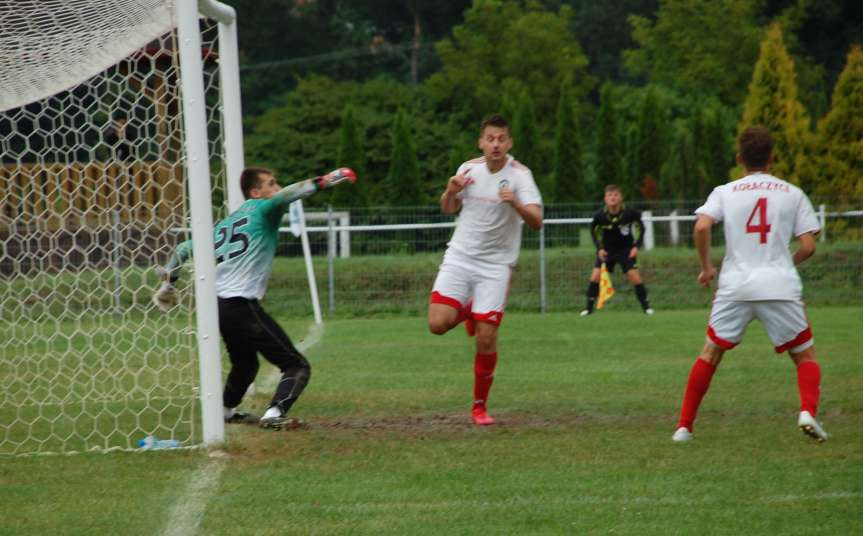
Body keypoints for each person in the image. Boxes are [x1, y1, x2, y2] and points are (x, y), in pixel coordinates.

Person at [152, 166, 357, 429]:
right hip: (240, 305)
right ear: (255, 192)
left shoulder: (227, 222)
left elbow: (183, 248)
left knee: (246, 364)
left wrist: (170, 282)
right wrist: (327, 180)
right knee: (296, 365)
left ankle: (225, 411)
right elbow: (287, 195)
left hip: (219, 306)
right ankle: (274, 415)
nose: (276, 188)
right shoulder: (264, 208)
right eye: (271, 183)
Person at [671, 126, 826, 443]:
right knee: (805, 356)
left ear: (740, 158)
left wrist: (706, 268)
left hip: (736, 286)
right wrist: (784, 263)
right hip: (780, 287)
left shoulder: (725, 191)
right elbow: (809, 246)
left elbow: (701, 226)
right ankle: (808, 412)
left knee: (710, 353)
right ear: (771, 158)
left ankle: (684, 427)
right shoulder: (793, 193)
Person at [427, 113, 543, 426]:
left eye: (501, 139)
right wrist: (451, 190)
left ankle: (479, 407)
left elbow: (536, 221)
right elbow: (448, 207)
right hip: (461, 257)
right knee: (437, 324)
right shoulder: (468, 169)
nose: (495, 144)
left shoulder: (520, 175)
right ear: (481, 142)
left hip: (496, 265)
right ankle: (471, 312)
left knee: (486, 338)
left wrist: (516, 203)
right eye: (490, 138)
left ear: (509, 142)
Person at [581, 184, 653, 316]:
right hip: (607, 251)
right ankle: (588, 309)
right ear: (605, 198)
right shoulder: (599, 215)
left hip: (625, 250)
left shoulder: (630, 213)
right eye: (610, 195)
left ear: (621, 198)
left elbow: (641, 229)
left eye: (615, 195)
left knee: (634, 276)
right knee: (595, 276)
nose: (612, 197)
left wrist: (636, 246)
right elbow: (594, 232)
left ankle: (647, 308)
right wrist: (600, 249)